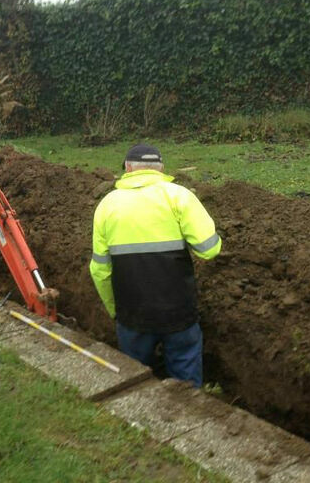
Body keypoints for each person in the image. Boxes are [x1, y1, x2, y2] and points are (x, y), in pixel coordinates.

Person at [89, 143, 221, 388]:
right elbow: (209, 250)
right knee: (187, 386)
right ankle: (190, 417)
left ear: (128, 168)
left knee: (134, 382)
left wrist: (114, 310)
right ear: (161, 169)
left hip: (132, 315)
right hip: (179, 313)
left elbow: (99, 270)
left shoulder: (107, 206)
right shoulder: (179, 196)